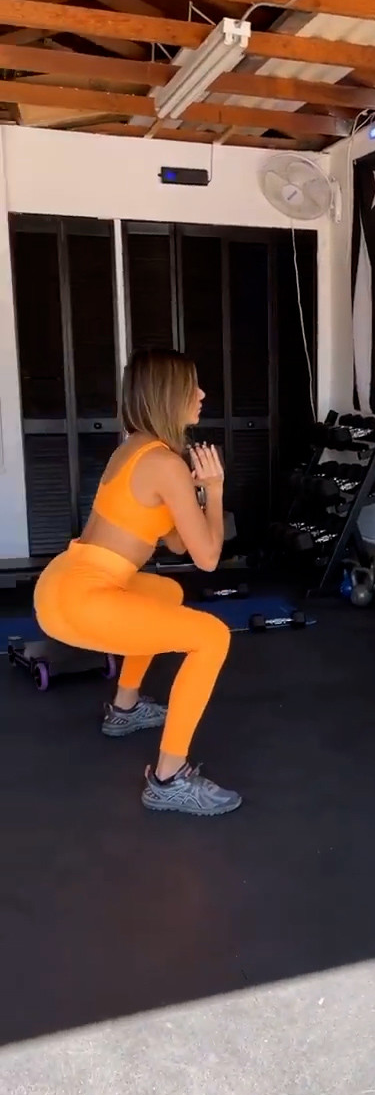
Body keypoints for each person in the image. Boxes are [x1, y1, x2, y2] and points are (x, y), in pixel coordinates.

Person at [33, 347, 241, 818]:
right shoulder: (165, 463)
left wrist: (192, 495)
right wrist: (214, 491)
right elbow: (208, 558)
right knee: (212, 636)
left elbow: (178, 543)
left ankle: (125, 708)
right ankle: (169, 778)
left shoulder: (137, 448)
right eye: (192, 387)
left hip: (63, 585)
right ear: (169, 395)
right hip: (84, 598)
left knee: (167, 594)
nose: (202, 394)